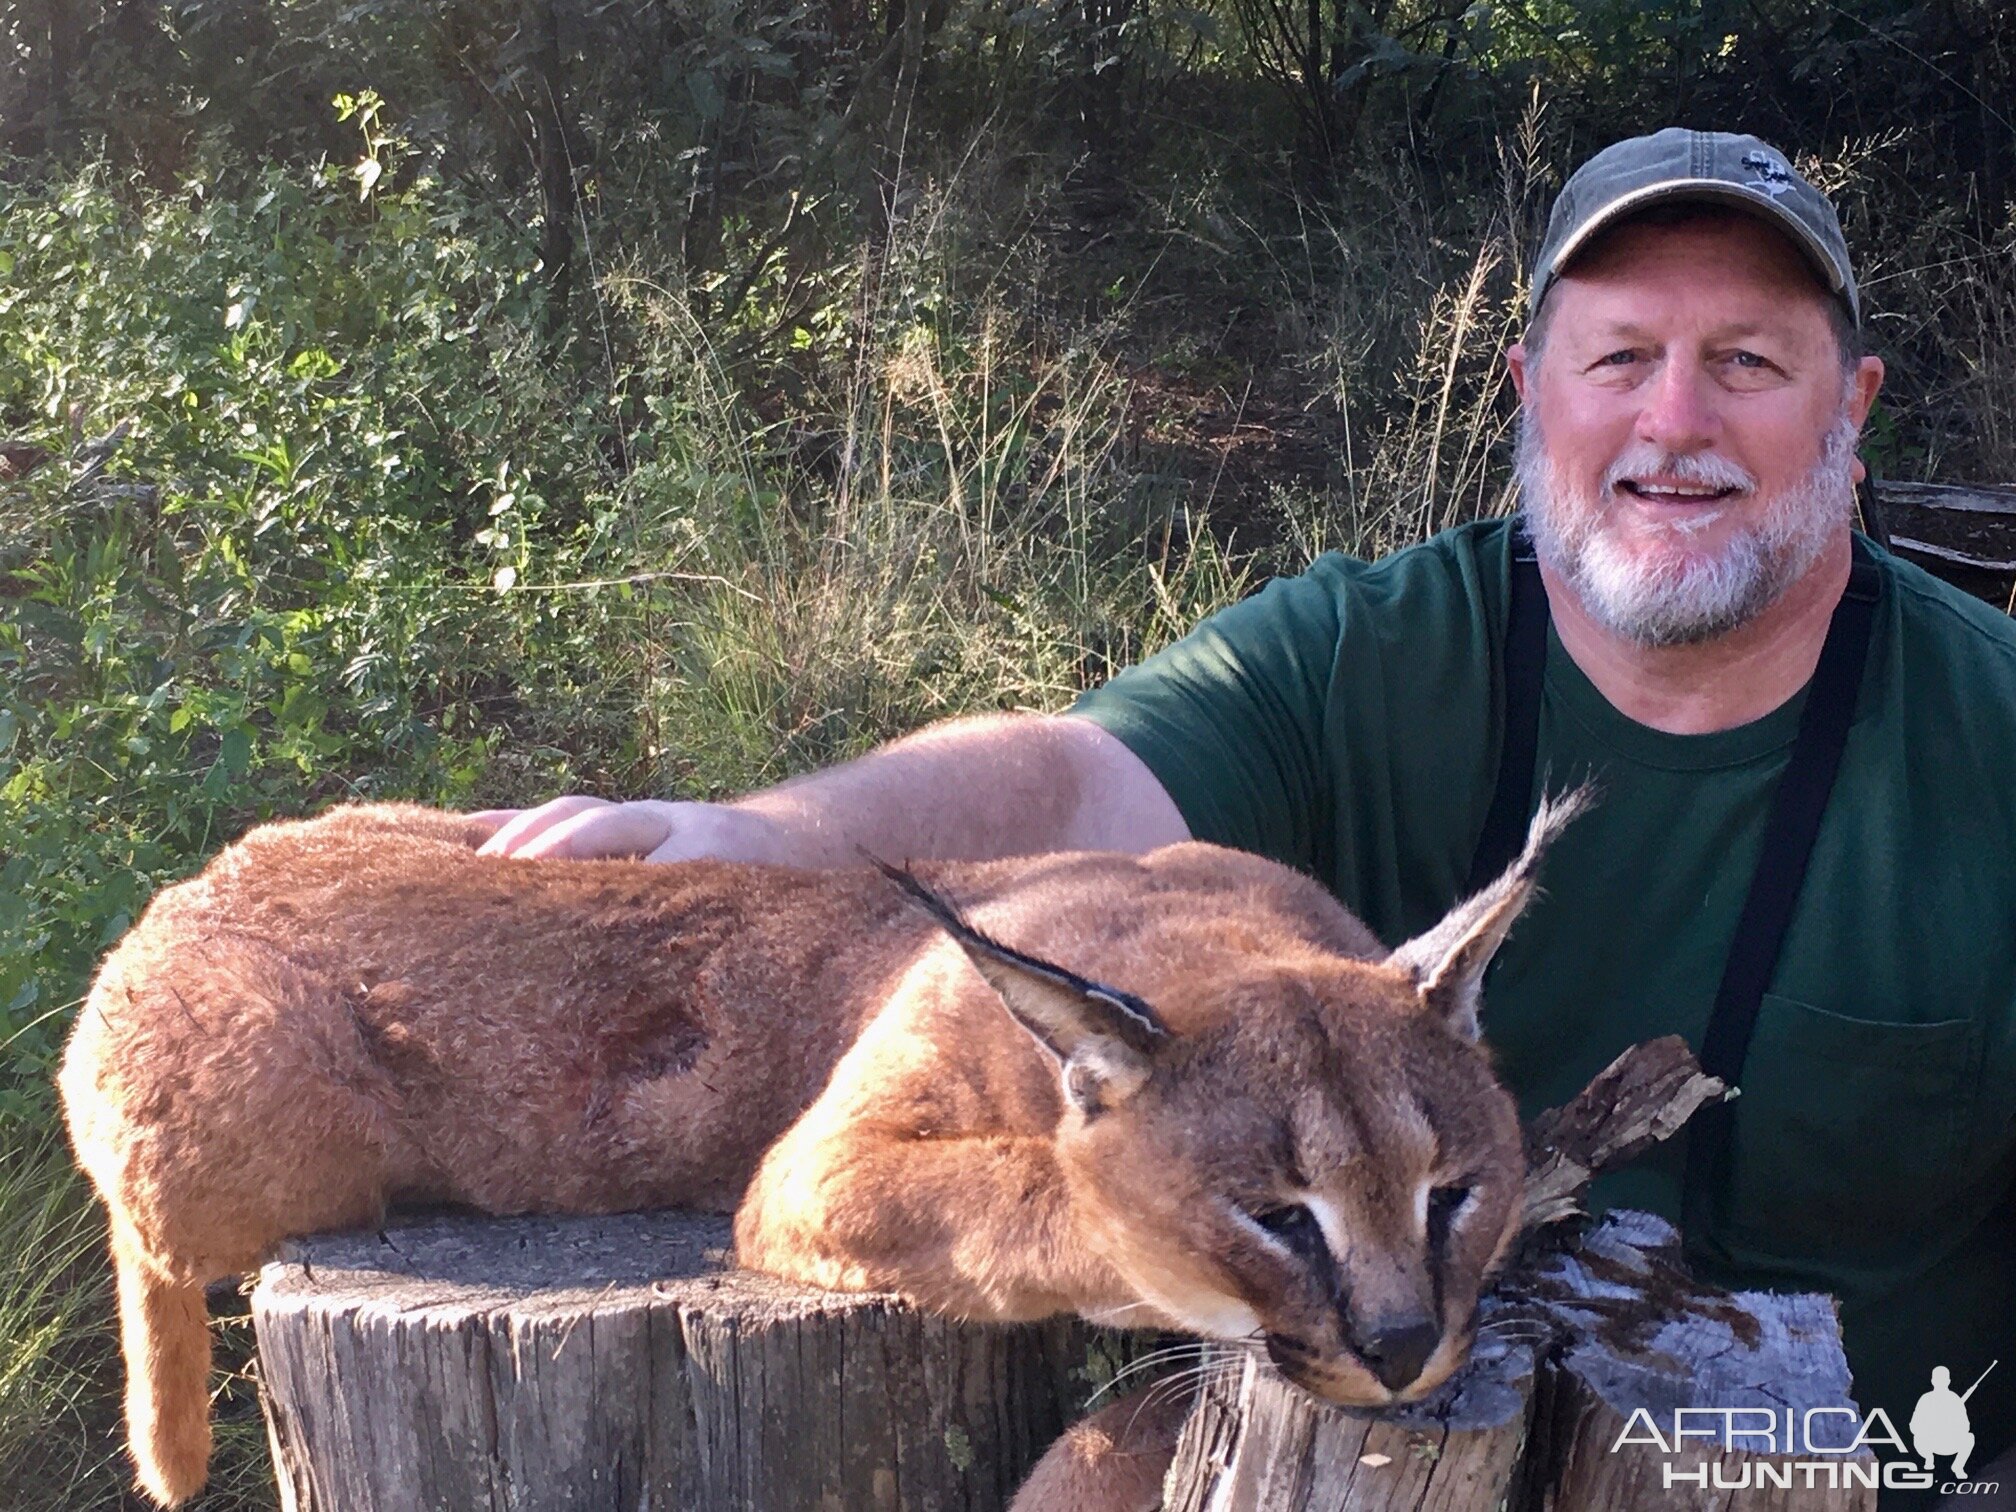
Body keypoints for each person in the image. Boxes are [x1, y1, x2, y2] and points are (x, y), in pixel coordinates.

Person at [472, 130, 2016, 1497]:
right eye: (1620, 360)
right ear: (1530, 389)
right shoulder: (1374, 645)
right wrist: (768, 831)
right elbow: (1074, 777)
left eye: (1747, 362)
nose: (1674, 420)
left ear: (1852, 405)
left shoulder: (1988, 726)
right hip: (1373, 1439)